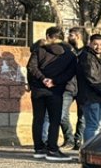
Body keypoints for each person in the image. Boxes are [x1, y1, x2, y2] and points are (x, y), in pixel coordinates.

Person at [26, 26, 78, 161]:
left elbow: (31, 67)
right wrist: (54, 81)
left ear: (48, 35)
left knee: (38, 118)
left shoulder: (39, 50)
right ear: (62, 37)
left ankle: (38, 149)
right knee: (54, 120)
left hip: (38, 89)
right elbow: (70, 73)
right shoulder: (70, 54)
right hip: (55, 90)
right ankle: (52, 150)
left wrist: (42, 79)